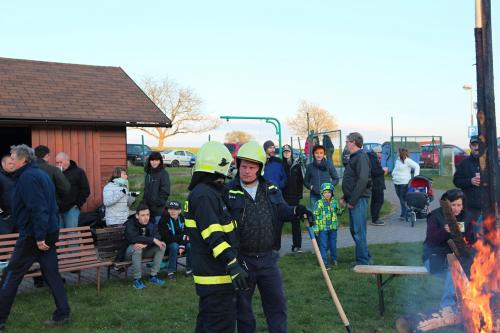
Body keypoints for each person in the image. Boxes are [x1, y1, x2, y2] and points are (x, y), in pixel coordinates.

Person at [224, 140, 311, 333]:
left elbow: (282, 210)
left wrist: (297, 210)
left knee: (277, 306)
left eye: (251, 167)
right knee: (243, 311)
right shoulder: (229, 191)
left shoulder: (271, 189)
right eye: (243, 166)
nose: (246, 171)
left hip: (268, 259)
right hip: (243, 260)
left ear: (259, 168)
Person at [0, 145, 70, 332]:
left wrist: (39, 237)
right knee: (51, 274)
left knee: (12, 274)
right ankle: (63, 314)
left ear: (23, 159)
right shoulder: (39, 174)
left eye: (13, 157)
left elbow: (39, 208)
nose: (11, 160)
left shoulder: (27, 178)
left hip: (34, 236)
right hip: (47, 232)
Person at [184, 141, 245, 333]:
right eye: (227, 169)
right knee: (220, 326)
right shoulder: (204, 196)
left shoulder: (208, 193)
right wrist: (233, 264)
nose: (228, 175)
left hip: (213, 277)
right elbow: (214, 236)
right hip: (215, 277)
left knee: (207, 325)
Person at [422, 189, 475, 311]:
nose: (456, 208)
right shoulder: (435, 216)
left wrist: (468, 235)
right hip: (435, 258)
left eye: (459, 205)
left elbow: (472, 239)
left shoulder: (466, 216)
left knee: (470, 270)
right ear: (446, 204)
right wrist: (444, 231)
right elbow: (431, 241)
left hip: (460, 258)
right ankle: (447, 306)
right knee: (455, 272)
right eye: (453, 205)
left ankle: (468, 305)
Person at [341, 132, 372, 265]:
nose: (346, 143)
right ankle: (365, 256)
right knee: (354, 230)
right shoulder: (354, 157)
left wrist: (352, 201)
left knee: (359, 231)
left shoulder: (361, 157)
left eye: (347, 141)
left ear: (354, 142)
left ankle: (363, 261)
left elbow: (363, 180)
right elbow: (352, 181)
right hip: (354, 199)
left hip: (359, 200)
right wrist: (345, 197)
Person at [123, 203, 166, 289]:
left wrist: (146, 244)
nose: (146, 217)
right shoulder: (130, 223)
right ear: (137, 216)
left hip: (145, 250)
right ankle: (137, 280)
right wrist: (152, 240)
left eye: (147, 214)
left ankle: (153, 276)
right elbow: (133, 238)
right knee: (137, 248)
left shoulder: (151, 223)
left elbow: (158, 236)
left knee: (162, 245)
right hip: (129, 252)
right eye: (143, 215)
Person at [158, 200, 192, 281]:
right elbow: (167, 238)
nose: (173, 211)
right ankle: (171, 271)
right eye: (170, 209)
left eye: (175, 209)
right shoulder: (164, 220)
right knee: (174, 246)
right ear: (168, 210)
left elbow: (187, 233)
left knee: (190, 245)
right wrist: (182, 238)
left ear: (180, 211)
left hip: (180, 244)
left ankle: (189, 269)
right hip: (167, 245)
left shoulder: (183, 218)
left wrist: (182, 245)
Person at [55, 152, 90, 228]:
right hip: (58, 209)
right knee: (59, 235)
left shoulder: (78, 172)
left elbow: (85, 190)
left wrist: (77, 203)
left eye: (61, 162)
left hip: (71, 209)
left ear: (67, 161)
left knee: (72, 234)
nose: (59, 165)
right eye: (57, 163)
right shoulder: (55, 173)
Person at [313, 183, 343, 269]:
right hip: (323, 229)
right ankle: (323, 262)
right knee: (323, 245)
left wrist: (342, 207)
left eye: (329, 192)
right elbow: (315, 216)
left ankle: (334, 259)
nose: (327, 194)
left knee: (333, 244)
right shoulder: (319, 203)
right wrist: (316, 228)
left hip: (333, 228)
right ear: (322, 193)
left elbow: (338, 212)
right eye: (325, 192)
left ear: (332, 193)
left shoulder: (334, 202)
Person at [281, 144, 305, 252]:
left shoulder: (296, 165)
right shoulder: (280, 165)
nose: (286, 153)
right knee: (279, 221)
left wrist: (300, 194)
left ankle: (297, 245)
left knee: (296, 222)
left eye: (288, 151)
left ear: (291, 153)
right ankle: (276, 246)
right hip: (283, 197)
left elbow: (300, 181)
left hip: (294, 197)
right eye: (285, 152)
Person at [452, 135, 481, 222]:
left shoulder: (490, 163)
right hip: (469, 207)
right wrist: (470, 181)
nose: (477, 147)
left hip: (488, 207)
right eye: (474, 145)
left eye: (479, 145)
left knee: (487, 234)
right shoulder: (464, 163)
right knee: (464, 232)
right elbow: (456, 181)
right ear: (470, 146)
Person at [304, 144, 339, 209]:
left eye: (321, 153)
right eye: (316, 153)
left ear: (323, 154)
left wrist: (328, 187)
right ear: (313, 154)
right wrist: (311, 187)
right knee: (315, 214)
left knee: (327, 215)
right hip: (314, 195)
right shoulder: (310, 166)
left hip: (327, 195)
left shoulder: (329, 164)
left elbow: (336, 179)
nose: (319, 155)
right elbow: (306, 181)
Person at [392, 147, 420, 221]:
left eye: (398, 152)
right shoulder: (397, 160)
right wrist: (393, 175)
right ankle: (407, 211)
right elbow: (395, 169)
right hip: (396, 182)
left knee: (402, 199)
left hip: (404, 183)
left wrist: (415, 177)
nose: (397, 153)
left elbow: (417, 166)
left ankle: (404, 214)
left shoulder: (408, 161)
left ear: (401, 153)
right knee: (401, 199)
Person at [143, 151, 170, 224]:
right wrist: (144, 204)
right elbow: (146, 191)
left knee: (157, 231)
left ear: (160, 161)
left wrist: (157, 203)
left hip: (158, 210)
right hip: (148, 210)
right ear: (149, 161)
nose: (154, 162)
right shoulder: (148, 174)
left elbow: (165, 191)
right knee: (149, 231)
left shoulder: (163, 173)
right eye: (152, 160)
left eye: (156, 160)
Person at [367, 146, 386, 226]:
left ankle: (374, 218)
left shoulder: (372, 158)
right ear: (377, 152)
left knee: (374, 201)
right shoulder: (373, 159)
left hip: (374, 183)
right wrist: (383, 171)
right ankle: (375, 219)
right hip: (377, 184)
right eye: (380, 152)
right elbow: (374, 172)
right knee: (379, 201)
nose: (381, 154)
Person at [0, 155, 17, 234]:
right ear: (3, 164)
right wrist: (4, 214)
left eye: (14, 163)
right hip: (4, 222)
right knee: (5, 244)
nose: (13, 165)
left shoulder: (18, 177)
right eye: (10, 163)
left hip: (18, 220)